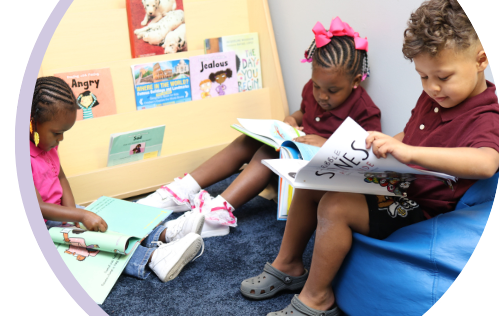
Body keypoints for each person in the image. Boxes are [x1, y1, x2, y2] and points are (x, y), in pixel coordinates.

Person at [245, 0, 499, 316]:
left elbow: (486, 163)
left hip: (422, 210)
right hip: (397, 184)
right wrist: (381, 146)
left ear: (481, 59)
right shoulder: (435, 97)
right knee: (313, 179)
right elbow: (409, 137)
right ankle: (288, 264)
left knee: (336, 205)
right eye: (423, 77)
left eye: (442, 76)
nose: (432, 88)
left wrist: (408, 152)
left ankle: (318, 299)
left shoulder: (485, 113)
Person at [138, 17, 382, 237]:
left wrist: (325, 145)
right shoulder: (312, 90)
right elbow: (305, 111)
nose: (322, 96)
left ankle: (218, 213)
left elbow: (367, 161)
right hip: (292, 164)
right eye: (317, 86)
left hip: (320, 182)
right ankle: (183, 190)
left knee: (268, 152)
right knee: (251, 140)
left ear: (356, 82)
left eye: (332, 91)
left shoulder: (365, 110)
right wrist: (292, 119)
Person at [30, 76, 205, 283]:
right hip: (41, 224)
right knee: (90, 244)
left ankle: (165, 234)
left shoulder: (47, 143)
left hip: (60, 212)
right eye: (57, 133)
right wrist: (77, 216)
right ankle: (153, 259)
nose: (61, 139)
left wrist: (74, 215)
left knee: (103, 218)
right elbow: (36, 207)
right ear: (32, 122)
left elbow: (61, 176)